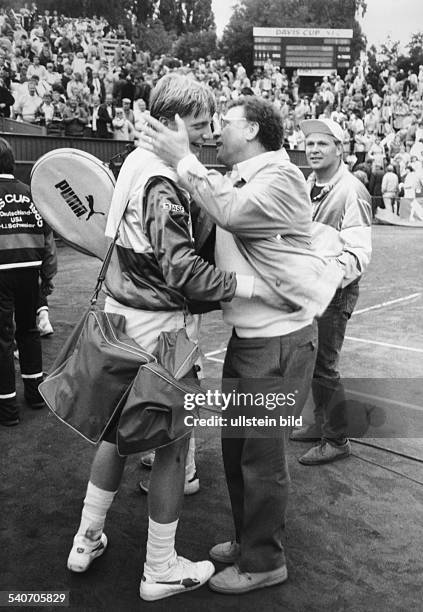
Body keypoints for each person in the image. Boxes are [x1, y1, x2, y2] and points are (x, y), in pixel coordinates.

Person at [139, 96, 343, 595]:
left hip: (278, 342)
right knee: (237, 452)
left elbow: (232, 213)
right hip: (252, 339)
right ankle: (249, 538)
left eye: (224, 124)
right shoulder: (240, 175)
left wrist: (182, 160)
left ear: (251, 128)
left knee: (262, 459)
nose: (215, 132)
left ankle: (265, 560)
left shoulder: (282, 177)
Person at [66, 74, 256, 602]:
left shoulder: (133, 161)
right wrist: (244, 285)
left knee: (113, 436)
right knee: (172, 450)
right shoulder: (162, 182)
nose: (206, 132)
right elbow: (182, 271)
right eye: (198, 123)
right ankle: (160, 568)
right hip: (161, 336)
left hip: (119, 320)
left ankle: (86, 538)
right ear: (172, 120)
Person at [290, 118, 372, 464]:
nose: (314, 150)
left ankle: (336, 439)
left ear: (340, 149)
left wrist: (325, 279)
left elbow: (359, 253)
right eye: (310, 144)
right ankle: (320, 424)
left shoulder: (352, 190)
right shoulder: (306, 185)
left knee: (324, 366)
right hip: (308, 289)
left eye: (323, 144)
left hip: (332, 292)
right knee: (310, 362)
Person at [0, 137, 57, 426]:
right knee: (29, 331)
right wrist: (46, 279)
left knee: (2, 339)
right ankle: (35, 395)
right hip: (30, 272)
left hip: (1, 273)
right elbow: (49, 243)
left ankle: (7, 408)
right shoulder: (31, 194)